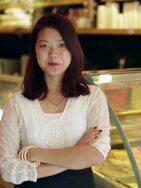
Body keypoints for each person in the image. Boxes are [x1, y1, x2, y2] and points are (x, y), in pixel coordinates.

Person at [0, 13, 111, 188]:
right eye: (44, 45)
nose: (53, 54)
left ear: (73, 48)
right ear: (34, 50)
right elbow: (8, 171)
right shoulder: (17, 103)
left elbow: (97, 153)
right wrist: (76, 152)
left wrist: (33, 153)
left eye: (62, 45)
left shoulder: (93, 97)